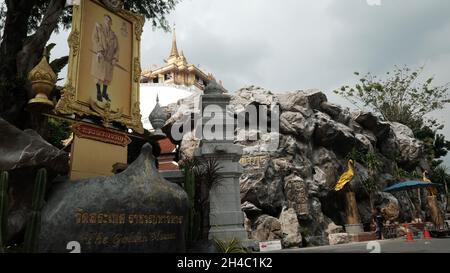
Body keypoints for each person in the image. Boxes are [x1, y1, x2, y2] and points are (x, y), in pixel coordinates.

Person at [91, 14, 119, 102]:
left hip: (109, 58)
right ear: (104, 20)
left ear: (111, 23)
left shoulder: (114, 35)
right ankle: (98, 92)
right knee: (99, 75)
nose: (107, 21)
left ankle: (104, 93)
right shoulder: (98, 28)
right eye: (106, 19)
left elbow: (117, 48)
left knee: (107, 77)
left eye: (109, 20)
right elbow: (94, 38)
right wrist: (99, 50)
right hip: (101, 55)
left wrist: (115, 58)